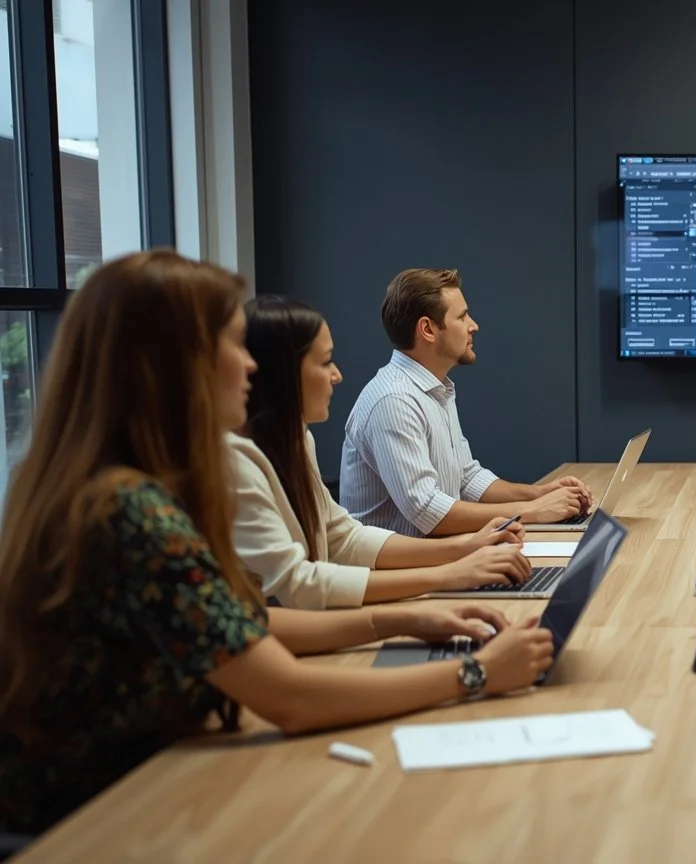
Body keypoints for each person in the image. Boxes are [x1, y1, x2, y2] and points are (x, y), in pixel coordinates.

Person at [0, 251, 555, 836]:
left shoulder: (106, 485)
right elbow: (289, 698)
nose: (249, 366)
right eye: (233, 345)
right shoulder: (131, 512)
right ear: (172, 365)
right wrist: (476, 675)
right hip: (97, 820)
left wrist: (409, 622)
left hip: (123, 790)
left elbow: (247, 622)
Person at [233, 296, 538, 609]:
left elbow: (342, 537)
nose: (337, 375)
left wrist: (466, 547)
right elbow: (297, 586)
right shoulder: (392, 399)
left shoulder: (297, 437)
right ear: (281, 374)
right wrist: (449, 572)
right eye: (325, 362)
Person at [340, 268, 592, 535]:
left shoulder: (437, 389)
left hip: (441, 560)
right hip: (404, 572)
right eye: (461, 317)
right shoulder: (393, 400)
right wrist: (533, 511)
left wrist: (538, 494)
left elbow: (467, 478)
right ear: (427, 329)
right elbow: (428, 511)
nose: (474, 325)